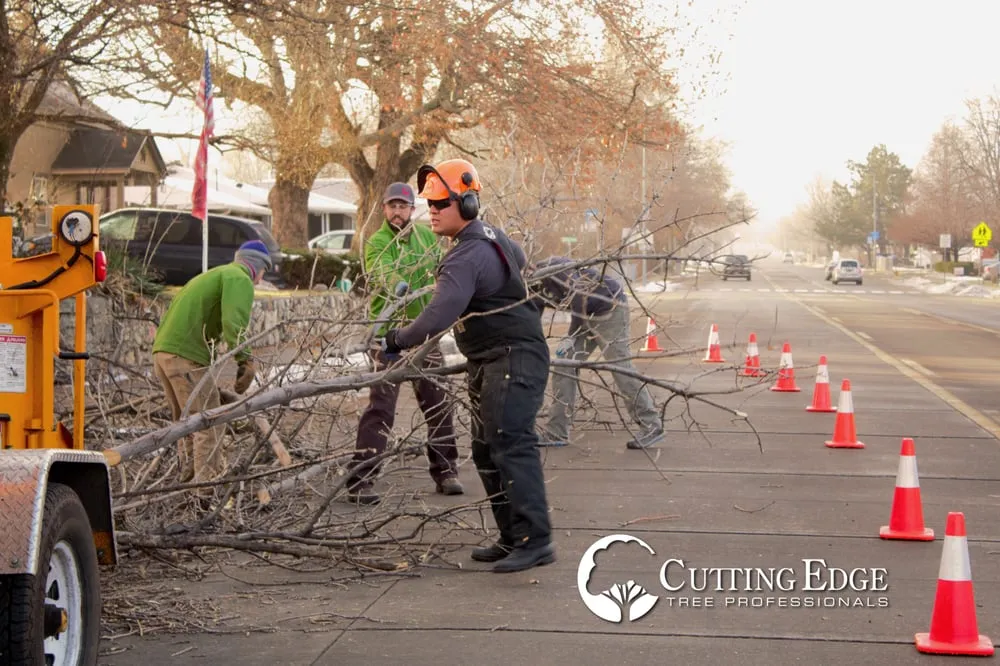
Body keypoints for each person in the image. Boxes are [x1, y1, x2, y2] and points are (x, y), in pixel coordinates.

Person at [378, 158, 555, 573]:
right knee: (485, 449)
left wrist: (397, 339)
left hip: (511, 356)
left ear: (469, 204)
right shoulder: (491, 239)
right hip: (493, 357)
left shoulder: (466, 256)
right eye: (430, 203)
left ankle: (536, 540)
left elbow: (438, 315)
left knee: (511, 445)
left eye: (441, 203)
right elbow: (521, 261)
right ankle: (512, 537)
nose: (432, 210)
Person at [346, 182, 463, 505]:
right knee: (381, 408)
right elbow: (379, 269)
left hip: (424, 334)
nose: (397, 211)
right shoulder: (377, 242)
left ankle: (446, 471)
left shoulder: (428, 239)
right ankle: (361, 480)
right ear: (384, 209)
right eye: (392, 206)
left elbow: (442, 271)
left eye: (403, 206)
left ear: (413, 210)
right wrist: (396, 283)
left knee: (438, 402)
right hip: (388, 338)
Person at [151, 240, 271, 499]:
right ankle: (205, 491)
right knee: (209, 421)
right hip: (185, 356)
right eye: (264, 271)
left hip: (163, 354)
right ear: (256, 266)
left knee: (185, 424)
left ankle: (186, 485)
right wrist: (245, 359)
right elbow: (234, 321)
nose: (261, 280)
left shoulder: (214, 274)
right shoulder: (239, 277)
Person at [528, 256, 664, 449]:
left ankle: (651, 425)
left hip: (609, 308)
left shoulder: (552, 268)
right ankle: (556, 431)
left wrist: (571, 336)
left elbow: (579, 293)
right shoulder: (528, 288)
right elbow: (532, 317)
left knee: (620, 366)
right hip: (585, 315)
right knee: (564, 365)